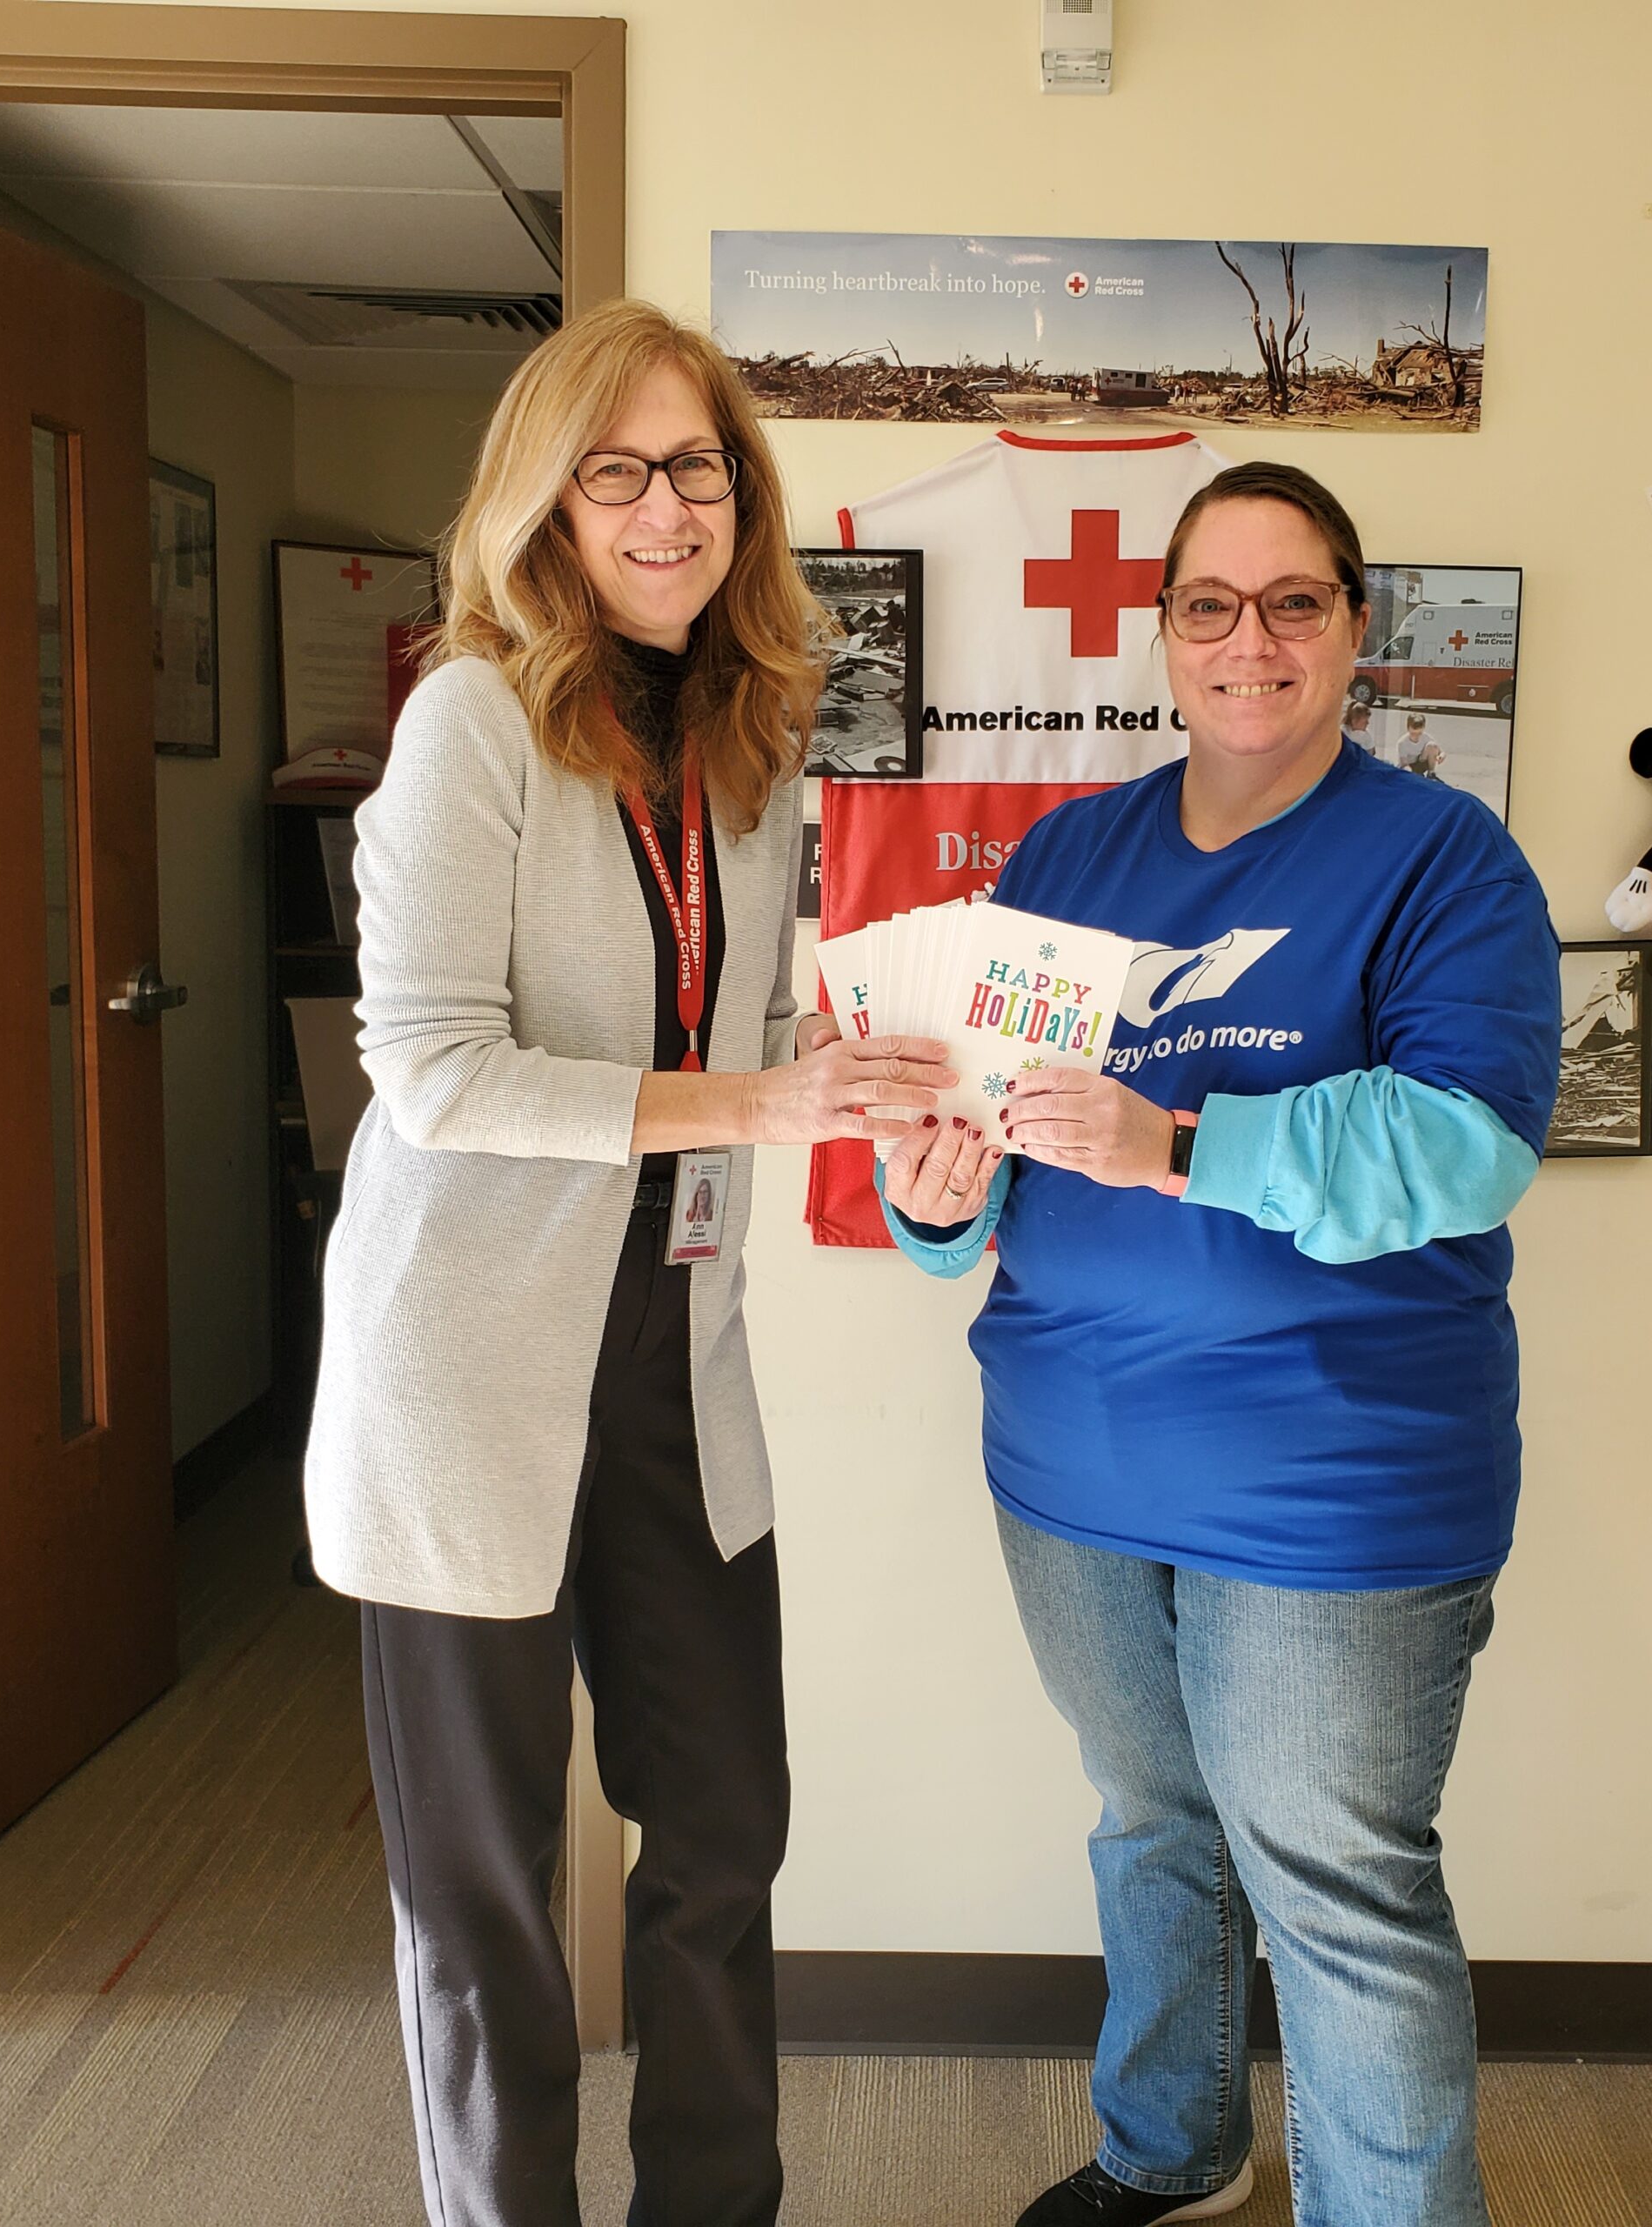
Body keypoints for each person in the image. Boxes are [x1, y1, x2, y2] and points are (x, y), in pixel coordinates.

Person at [304, 298, 951, 2227]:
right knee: (488, 1889)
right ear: (547, 501)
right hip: (467, 1385)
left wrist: (897, 1104)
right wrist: (759, 1105)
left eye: (703, 466)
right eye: (622, 467)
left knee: (722, 1837)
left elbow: (764, 1060)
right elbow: (423, 1067)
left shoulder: (755, 751)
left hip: (677, 1364)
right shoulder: (469, 716)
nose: (668, 505)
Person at [878, 462, 1559, 2227]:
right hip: (1070, 1462)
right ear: (1158, 630)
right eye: (1207, 603)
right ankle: (1169, 2150)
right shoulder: (1065, 856)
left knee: (1336, 1885)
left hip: (1332, 1482)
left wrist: (1178, 1144)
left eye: (1291, 601)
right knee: (1149, 1822)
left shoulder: (1442, 859)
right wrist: (935, 1194)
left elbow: (1465, 1146)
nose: (1246, 640)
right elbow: (982, 1160)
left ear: (1354, 625)